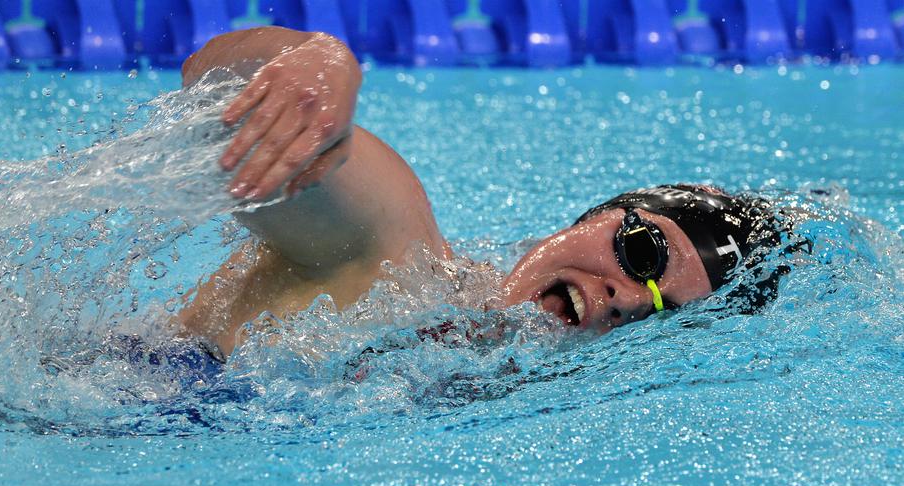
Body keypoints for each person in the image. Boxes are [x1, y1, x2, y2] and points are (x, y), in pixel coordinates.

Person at [172, 27, 785, 364]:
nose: (626, 299)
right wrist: (318, 60)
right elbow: (211, 86)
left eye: (663, 313)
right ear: (598, 214)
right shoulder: (393, 251)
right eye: (642, 255)